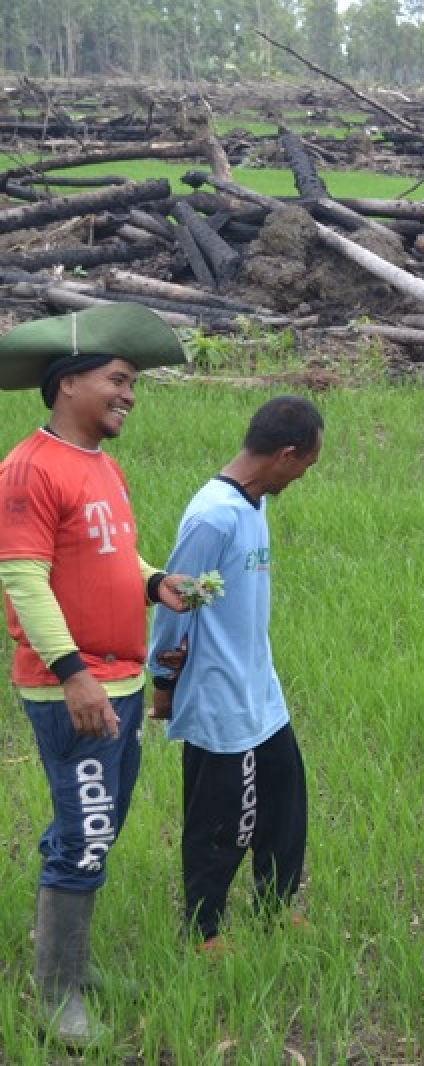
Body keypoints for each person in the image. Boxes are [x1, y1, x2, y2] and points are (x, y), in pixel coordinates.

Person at [0, 304, 191, 1048]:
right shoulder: (27, 470)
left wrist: (154, 584)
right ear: (68, 381)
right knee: (84, 835)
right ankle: (55, 996)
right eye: (118, 380)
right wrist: (74, 675)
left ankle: (73, 969)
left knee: (98, 828)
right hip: (74, 689)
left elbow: (108, 558)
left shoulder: (101, 466)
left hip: (121, 680)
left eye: (133, 383)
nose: (129, 395)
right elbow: (23, 579)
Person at [147, 395, 324, 953]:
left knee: (284, 800)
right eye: (305, 466)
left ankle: (276, 905)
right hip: (217, 695)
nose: (302, 477)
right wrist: (164, 681)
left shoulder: (253, 502)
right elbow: (178, 604)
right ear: (285, 456)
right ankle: (202, 928)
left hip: (259, 688)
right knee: (220, 820)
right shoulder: (212, 517)